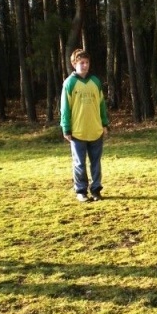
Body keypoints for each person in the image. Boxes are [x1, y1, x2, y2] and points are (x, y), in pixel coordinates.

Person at [60, 48, 110, 202]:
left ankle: (96, 190)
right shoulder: (69, 83)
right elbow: (65, 108)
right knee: (79, 163)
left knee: (96, 162)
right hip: (77, 132)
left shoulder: (95, 82)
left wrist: (104, 124)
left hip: (95, 130)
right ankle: (81, 191)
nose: (85, 65)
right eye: (81, 62)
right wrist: (66, 128)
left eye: (87, 62)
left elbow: (101, 105)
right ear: (74, 64)